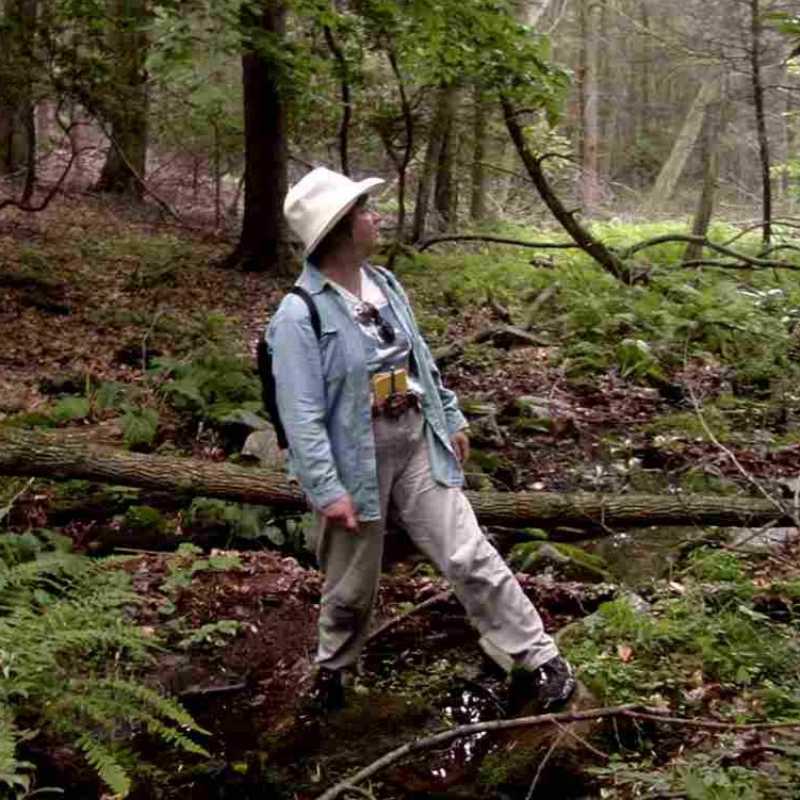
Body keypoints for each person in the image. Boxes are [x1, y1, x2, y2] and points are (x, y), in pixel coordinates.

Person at [266, 167, 575, 713]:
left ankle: (538, 657)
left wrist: (450, 416)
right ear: (339, 227)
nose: (374, 216)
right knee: (351, 586)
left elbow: (421, 363)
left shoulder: (385, 284)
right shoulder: (299, 314)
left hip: (414, 440)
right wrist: (325, 488)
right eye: (364, 210)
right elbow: (301, 413)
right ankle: (333, 673)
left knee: (468, 553)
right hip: (352, 463)